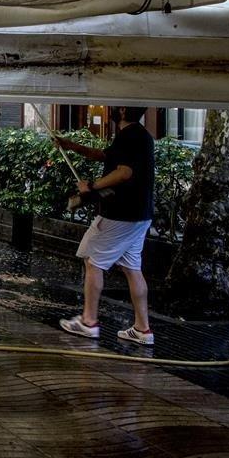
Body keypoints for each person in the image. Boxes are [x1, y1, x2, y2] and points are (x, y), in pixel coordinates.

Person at [56, 106, 157, 346]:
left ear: (122, 110)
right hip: (140, 215)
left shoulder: (130, 135)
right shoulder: (139, 135)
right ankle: (143, 329)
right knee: (132, 267)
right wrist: (72, 146)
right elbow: (106, 156)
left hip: (120, 214)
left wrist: (92, 186)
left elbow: (123, 172)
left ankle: (88, 322)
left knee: (93, 260)